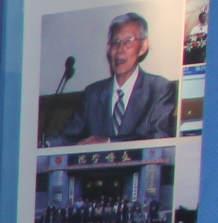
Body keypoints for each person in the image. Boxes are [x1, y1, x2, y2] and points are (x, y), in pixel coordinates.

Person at [49, 12, 179, 145]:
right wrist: (44, 145)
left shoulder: (159, 88)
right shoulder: (93, 93)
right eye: (115, 42)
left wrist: (109, 142)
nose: (120, 49)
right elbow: (68, 136)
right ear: (109, 48)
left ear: (143, 47)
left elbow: (159, 137)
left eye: (128, 41)